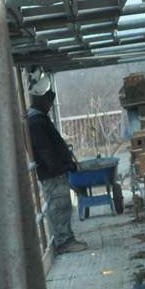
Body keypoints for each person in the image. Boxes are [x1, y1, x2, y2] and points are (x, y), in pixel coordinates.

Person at [27, 81, 88, 255]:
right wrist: (60, 167)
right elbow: (46, 150)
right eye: (48, 102)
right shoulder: (36, 122)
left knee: (60, 205)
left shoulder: (37, 118)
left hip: (52, 170)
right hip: (52, 172)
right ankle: (64, 241)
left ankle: (64, 238)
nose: (50, 105)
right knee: (59, 206)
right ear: (41, 100)